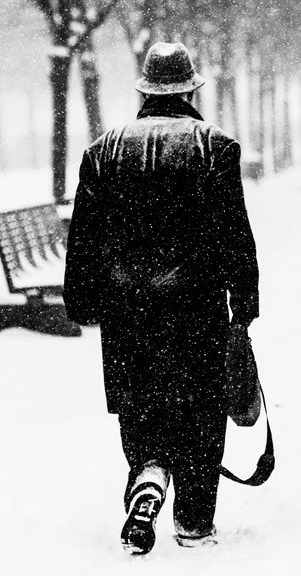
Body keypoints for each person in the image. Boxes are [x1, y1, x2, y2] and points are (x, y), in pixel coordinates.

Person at [63, 41, 260, 555]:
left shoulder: (102, 152)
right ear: (191, 90)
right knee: (200, 412)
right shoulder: (215, 148)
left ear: (144, 91)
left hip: (126, 313)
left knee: (141, 405)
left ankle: (148, 474)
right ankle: (193, 520)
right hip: (196, 310)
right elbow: (234, 234)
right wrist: (244, 302)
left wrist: (81, 300)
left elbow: (84, 238)